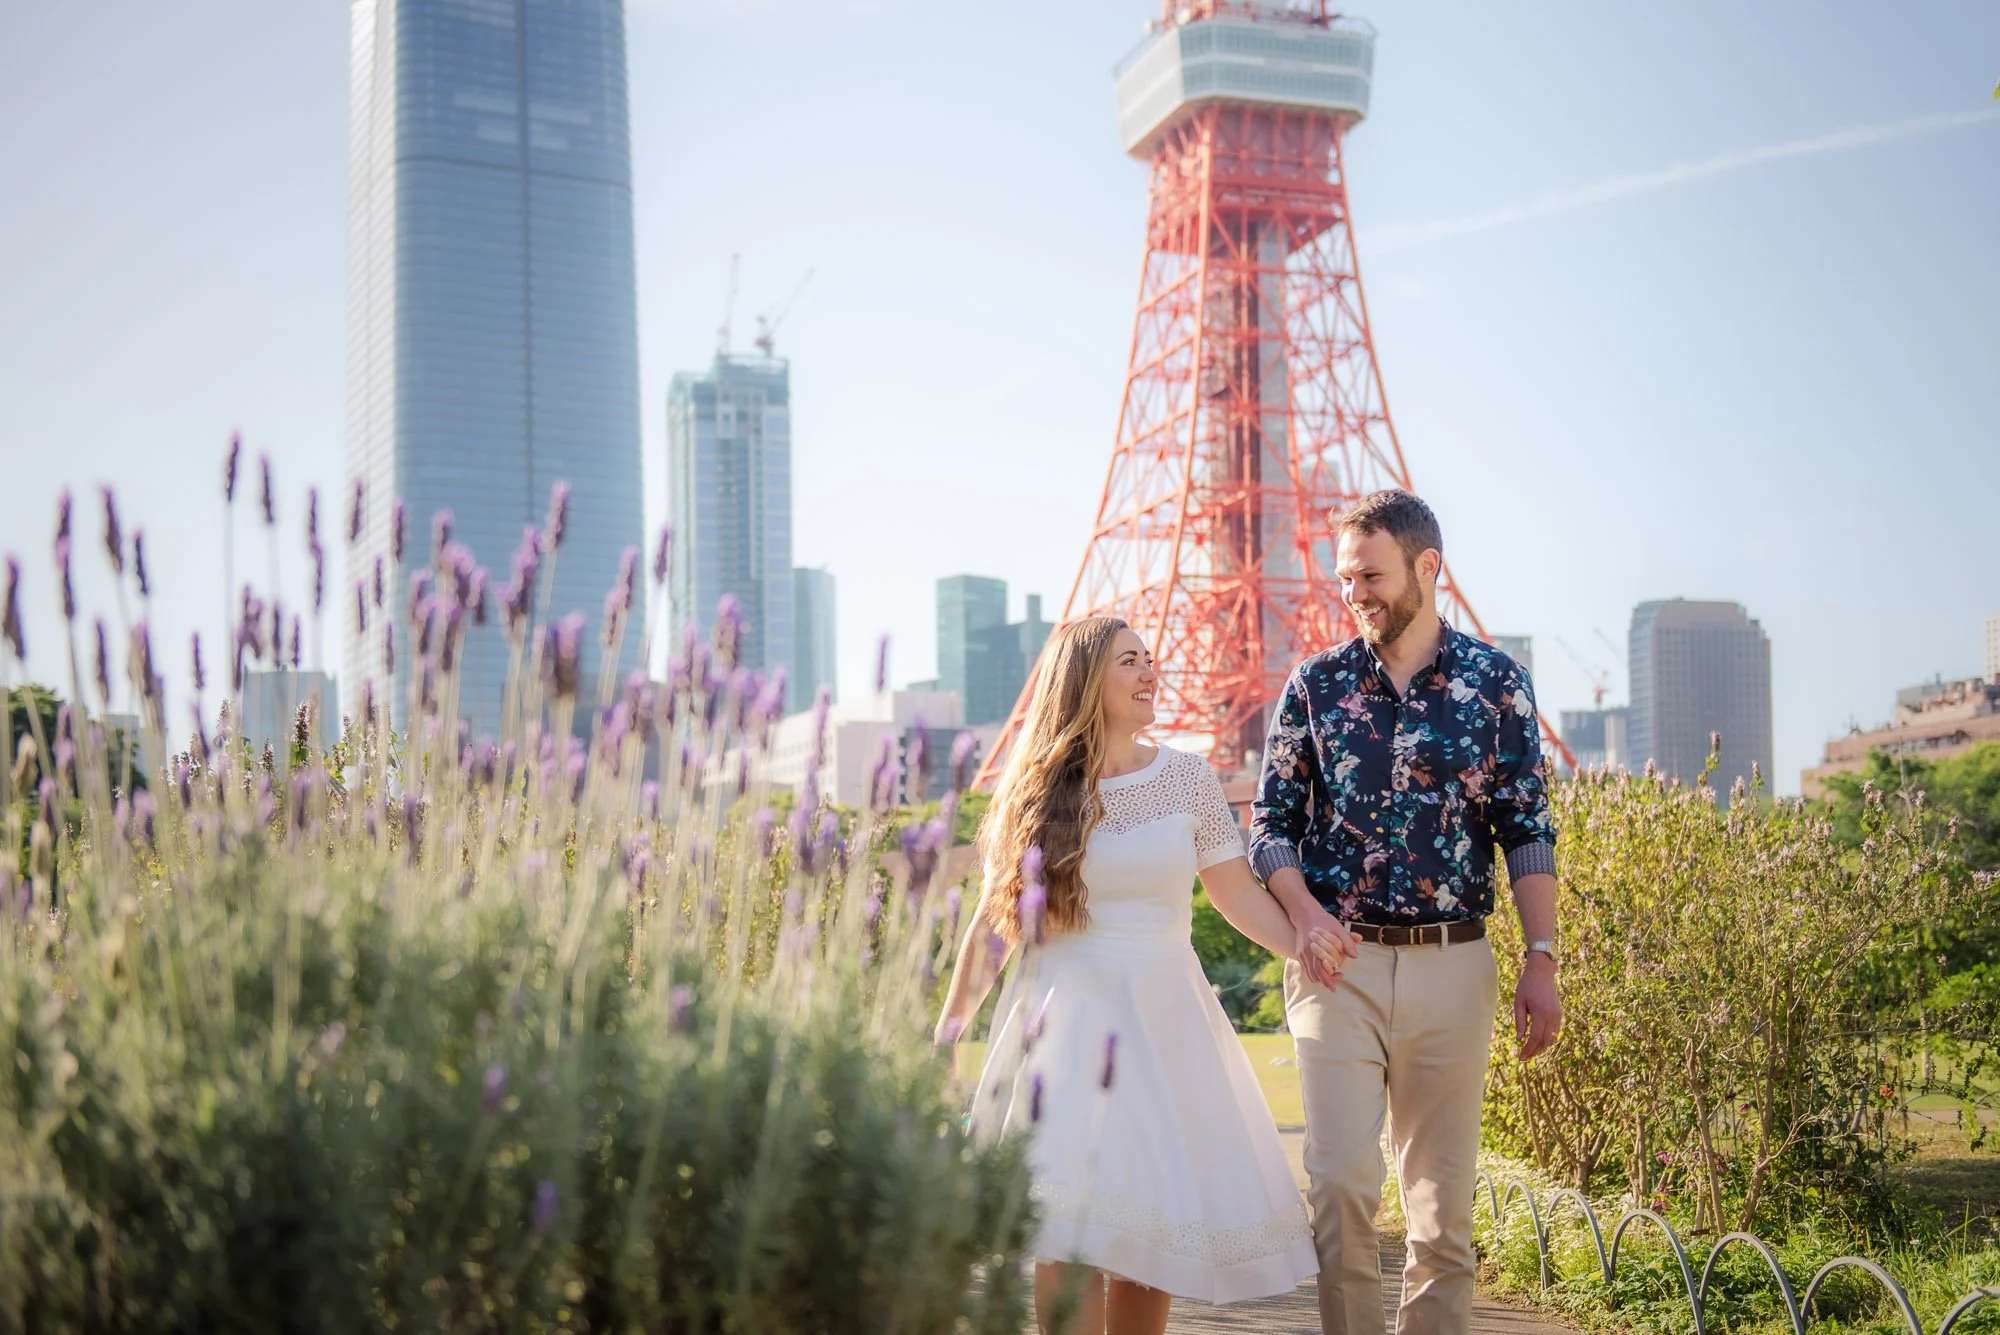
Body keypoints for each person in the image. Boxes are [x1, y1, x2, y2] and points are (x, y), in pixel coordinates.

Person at [934, 616, 1340, 1335]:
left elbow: (1236, 893)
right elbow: (995, 925)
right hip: (1061, 1034)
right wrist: (947, 1030)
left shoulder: (1187, 777)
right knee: (1064, 1229)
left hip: (1165, 1027)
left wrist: (1308, 945)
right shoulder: (1033, 791)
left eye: (1151, 658)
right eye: (1131, 661)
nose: (1152, 671)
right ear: (1086, 679)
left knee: (1154, 1234)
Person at [1249, 488, 1563, 1335]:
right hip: (1335, 967)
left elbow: (1526, 828)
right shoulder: (1314, 685)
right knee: (1342, 1184)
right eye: (1346, 578)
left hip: (1454, 967)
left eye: (1372, 575)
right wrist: (1305, 914)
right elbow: (1268, 827)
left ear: (1429, 566)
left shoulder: (1498, 686)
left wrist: (1543, 956)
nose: (1355, 593)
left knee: (1441, 1211)